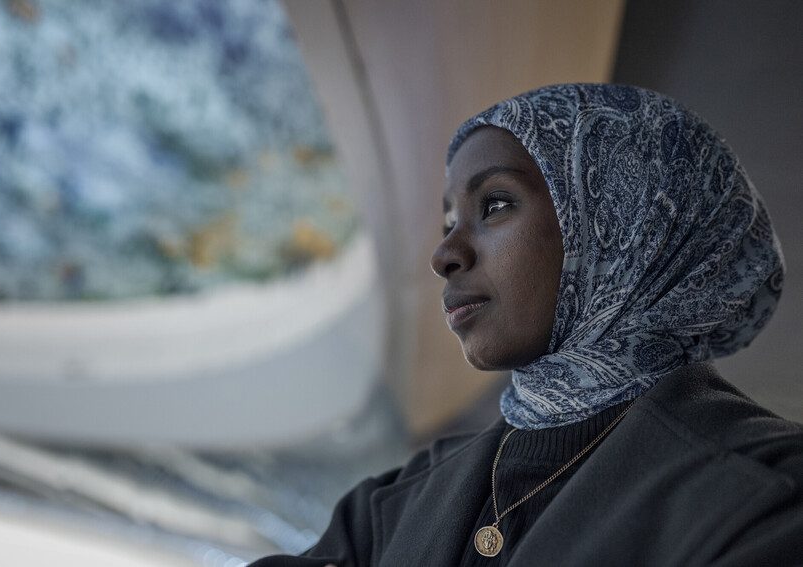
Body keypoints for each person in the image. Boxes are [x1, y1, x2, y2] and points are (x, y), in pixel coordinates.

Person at [249, 84, 803, 566]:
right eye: (448, 221)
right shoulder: (393, 501)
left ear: (624, 218)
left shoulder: (769, 492)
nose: (444, 254)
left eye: (494, 205)